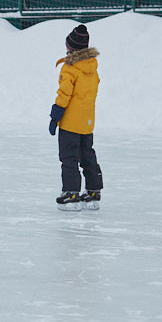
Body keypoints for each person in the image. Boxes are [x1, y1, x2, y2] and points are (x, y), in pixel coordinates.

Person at [49, 24, 103, 211]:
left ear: (71, 48)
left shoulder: (70, 68)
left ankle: (71, 193)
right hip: (87, 122)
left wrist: (55, 115)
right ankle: (93, 191)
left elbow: (64, 94)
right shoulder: (92, 68)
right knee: (88, 154)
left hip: (71, 123)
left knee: (69, 157)